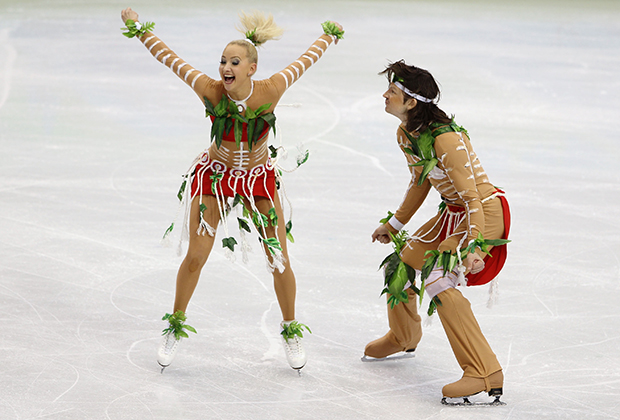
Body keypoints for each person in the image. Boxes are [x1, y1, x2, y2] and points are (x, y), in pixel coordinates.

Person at [120, 8, 344, 373]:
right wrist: (138, 29)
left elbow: (304, 61)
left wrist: (329, 35)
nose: (226, 67)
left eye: (234, 61)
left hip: (257, 180)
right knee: (196, 255)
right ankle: (175, 324)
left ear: (250, 68)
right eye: (223, 60)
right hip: (216, 179)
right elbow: (171, 60)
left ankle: (290, 329)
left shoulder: (270, 90)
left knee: (278, 259)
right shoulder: (209, 90)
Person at [363, 60, 510, 404]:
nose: (385, 95)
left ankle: (484, 370)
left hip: (482, 213)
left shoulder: (445, 138)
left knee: (439, 280)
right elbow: (420, 182)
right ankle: (403, 336)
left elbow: (472, 196)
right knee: (399, 265)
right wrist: (395, 224)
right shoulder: (407, 134)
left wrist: (474, 244)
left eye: (393, 92)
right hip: (453, 212)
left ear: (411, 102)